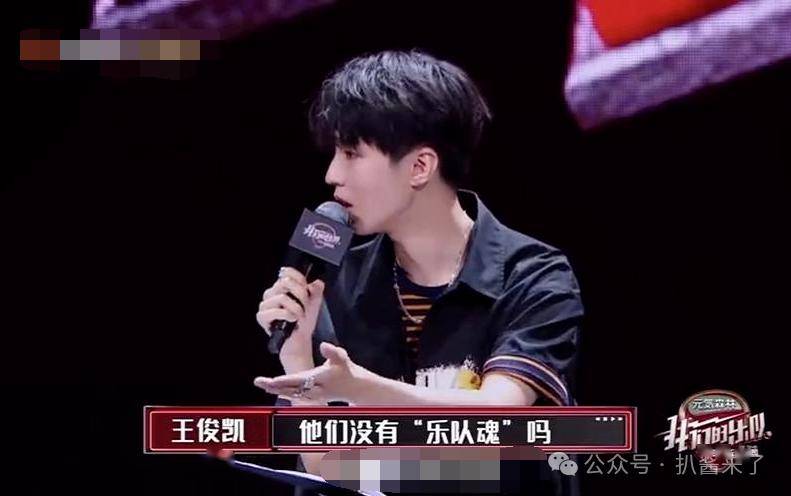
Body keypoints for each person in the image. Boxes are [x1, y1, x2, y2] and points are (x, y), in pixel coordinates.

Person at [254, 50, 583, 494]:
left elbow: (499, 417)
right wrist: (297, 359)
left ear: (420, 167)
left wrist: (361, 388)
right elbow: (334, 467)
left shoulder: (534, 277)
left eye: (351, 153)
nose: (332, 174)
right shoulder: (335, 281)